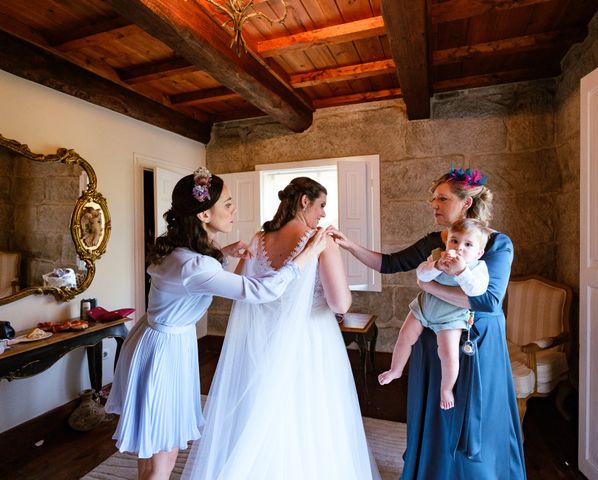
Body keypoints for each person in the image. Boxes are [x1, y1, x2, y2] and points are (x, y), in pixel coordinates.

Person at [104, 167, 327, 480]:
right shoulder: (195, 264)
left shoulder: (177, 252)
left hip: (154, 340)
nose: (234, 210)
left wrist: (223, 254)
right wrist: (306, 256)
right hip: (164, 354)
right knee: (163, 454)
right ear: (204, 215)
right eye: (228, 204)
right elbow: (259, 291)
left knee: (154, 444)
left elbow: (190, 275)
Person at [329, 167, 526, 479]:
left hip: (478, 340)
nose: (433, 204)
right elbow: (390, 263)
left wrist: (431, 288)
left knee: (474, 412)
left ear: (466, 203)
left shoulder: (496, 243)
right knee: (438, 411)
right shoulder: (433, 242)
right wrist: (349, 245)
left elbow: (488, 301)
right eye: (433, 198)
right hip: (433, 336)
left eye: (441, 198)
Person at [183, 177, 380, 480]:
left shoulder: (260, 238)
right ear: (304, 201)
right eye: (321, 205)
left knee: (264, 408)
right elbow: (340, 304)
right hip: (311, 339)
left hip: (264, 340)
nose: (323, 214)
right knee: (310, 412)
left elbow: (243, 287)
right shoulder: (319, 241)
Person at [378, 218, 490, 411]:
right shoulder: (438, 256)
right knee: (405, 336)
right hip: (424, 307)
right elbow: (421, 275)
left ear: (478, 253)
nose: (459, 248)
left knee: (448, 353)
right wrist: (436, 266)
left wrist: (461, 271)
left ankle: (446, 389)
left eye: (468, 244)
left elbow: (476, 291)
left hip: (451, 317)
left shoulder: (478, 268)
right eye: (454, 241)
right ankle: (396, 369)